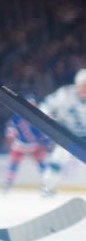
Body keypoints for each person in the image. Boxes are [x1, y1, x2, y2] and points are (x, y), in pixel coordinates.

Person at [38, 68, 86, 197]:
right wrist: (47, 116)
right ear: (76, 85)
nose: (84, 89)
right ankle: (47, 187)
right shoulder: (65, 94)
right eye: (83, 85)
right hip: (68, 133)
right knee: (57, 160)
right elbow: (46, 105)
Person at [0, 94, 52, 194]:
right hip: (19, 145)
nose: (31, 106)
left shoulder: (39, 116)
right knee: (14, 164)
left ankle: (48, 183)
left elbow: (44, 132)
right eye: (29, 103)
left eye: (33, 104)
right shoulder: (18, 115)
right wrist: (10, 136)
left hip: (34, 145)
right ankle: (8, 184)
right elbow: (11, 127)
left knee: (42, 164)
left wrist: (47, 142)